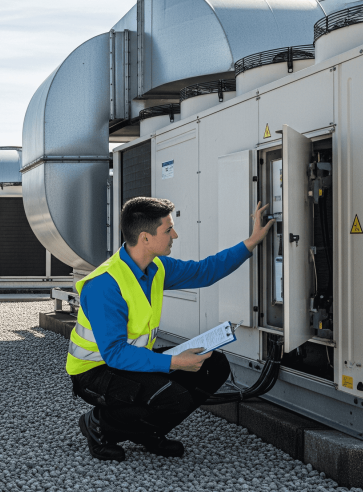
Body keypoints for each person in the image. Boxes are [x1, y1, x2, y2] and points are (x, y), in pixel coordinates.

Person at [68, 196, 273, 461]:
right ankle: (99, 425)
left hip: (129, 362)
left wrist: (251, 242)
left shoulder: (156, 268)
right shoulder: (105, 285)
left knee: (214, 365)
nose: (175, 234)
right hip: (94, 372)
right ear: (145, 238)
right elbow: (115, 354)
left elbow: (204, 271)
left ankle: (146, 432)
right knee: (172, 397)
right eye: (168, 229)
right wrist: (175, 361)